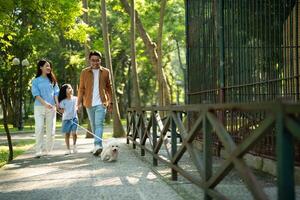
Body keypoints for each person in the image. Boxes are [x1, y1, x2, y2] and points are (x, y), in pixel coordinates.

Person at [77, 51, 113, 156]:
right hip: (89, 103)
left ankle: (98, 145)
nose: (95, 62)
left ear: (100, 60)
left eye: (97, 60)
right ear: (89, 60)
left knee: (99, 124)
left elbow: (109, 88)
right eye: (93, 60)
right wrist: (78, 104)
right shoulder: (84, 72)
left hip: (102, 103)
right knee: (93, 125)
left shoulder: (106, 72)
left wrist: (110, 102)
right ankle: (96, 146)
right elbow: (81, 89)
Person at [31, 59, 59, 158]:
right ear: (41, 67)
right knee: (39, 128)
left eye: (49, 66)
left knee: (51, 131)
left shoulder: (52, 80)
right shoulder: (35, 81)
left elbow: (56, 93)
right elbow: (36, 95)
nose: (49, 68)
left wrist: (57, 104)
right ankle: (38, 150)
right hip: (39, 107)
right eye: (46, 66)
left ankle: (48, 150)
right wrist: (45, 103)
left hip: (51, 108)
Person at [58, 84, 78, 155]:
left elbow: (77, 106)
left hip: (74, 118)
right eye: (68, 88)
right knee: (67, 134)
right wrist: (57, 108)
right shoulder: (63, 101)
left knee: (74, 133)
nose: (70, 89)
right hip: (66, 120)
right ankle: (68, 149)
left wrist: (77, 108)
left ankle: (74, 146)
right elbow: (62, 111)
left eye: (71, 88)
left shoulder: (75, 98)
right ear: (65, 91)